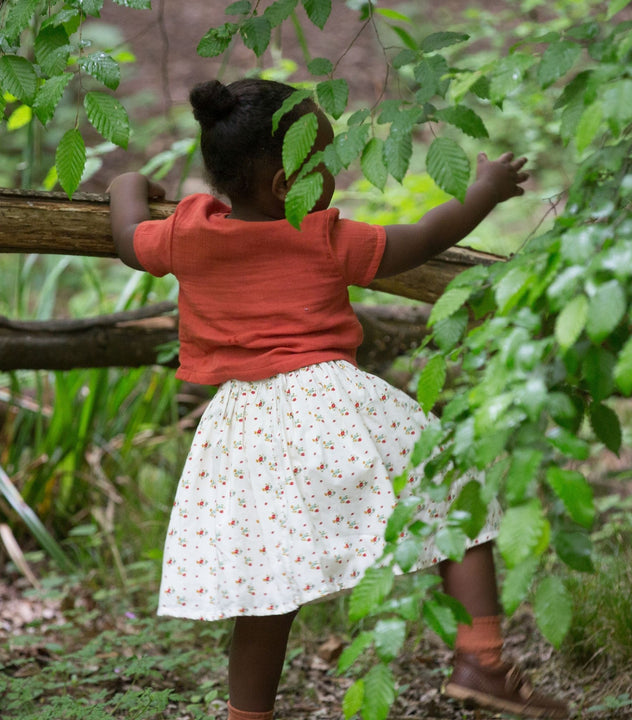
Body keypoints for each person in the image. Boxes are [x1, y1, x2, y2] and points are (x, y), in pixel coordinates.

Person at [108, 78, 568, 720]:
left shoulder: (187, 232)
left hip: (244, 432)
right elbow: (424, 238)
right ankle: (481, 661)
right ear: (280, 187)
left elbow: (129, 240)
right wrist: (485, 191)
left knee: (266, 593)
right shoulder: (323, 237)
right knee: (456, 498)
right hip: (335, 410)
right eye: (324, 161)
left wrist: (126, 185)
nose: (337, 171)